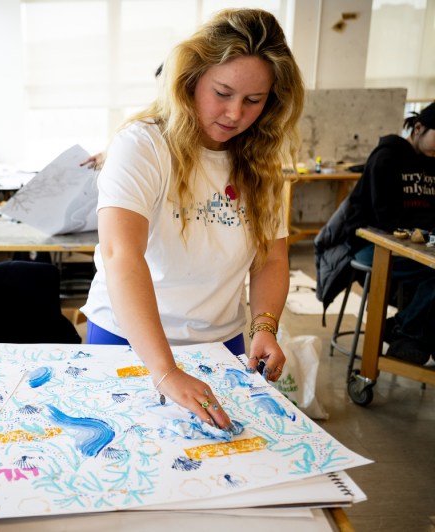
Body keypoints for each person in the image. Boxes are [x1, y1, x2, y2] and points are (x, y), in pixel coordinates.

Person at [80, 8, 305, 431]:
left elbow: (271, 260)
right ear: (191, 78)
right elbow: (120, 254)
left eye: (253, 101)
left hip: (222, 342)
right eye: (222, 92)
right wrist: (164, 370)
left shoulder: (261, 163)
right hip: (128, 339)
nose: (235, 114)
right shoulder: (144, 145)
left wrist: (265, 327)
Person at [315, 101, 435, 364]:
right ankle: (407, 330)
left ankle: (408, 328)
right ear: (418, 128)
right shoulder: (387, 157)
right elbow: (386, 217)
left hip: (414, 249)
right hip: (371, 248)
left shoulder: (431, 164)